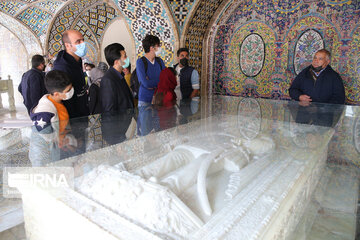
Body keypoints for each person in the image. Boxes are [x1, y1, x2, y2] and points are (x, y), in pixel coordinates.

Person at [30, 70, 78, 152]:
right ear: (56, 94)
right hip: (47, 152)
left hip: (60, 146)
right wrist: (58, 140)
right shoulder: (45, 112)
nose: (71, 91)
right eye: (68, 90)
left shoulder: (58, 101)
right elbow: (45, 136)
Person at [53, 29, 89, 118]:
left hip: (82, 111)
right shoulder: (62, 67)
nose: (82, 44)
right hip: (72, 118)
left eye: (83, 40)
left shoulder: (77, 59)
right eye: (78, 41)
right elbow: (64, 98)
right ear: (68, 46)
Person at [100, 43, 134, 113]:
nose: (127, 58)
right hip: (118, 122)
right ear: (116, 62)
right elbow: (109, 110)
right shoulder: (108, 80)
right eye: (124, 56)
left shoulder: (120, 75)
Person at [136, 35, 165, 106]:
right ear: (152, 48)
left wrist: (151, 82)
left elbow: (165, 80)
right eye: (158, 46)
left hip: (159, 99)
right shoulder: (140, 62)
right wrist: (159, 81)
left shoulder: (160, 61)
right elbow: (146, 83)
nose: (160, 48)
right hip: (145, 100)